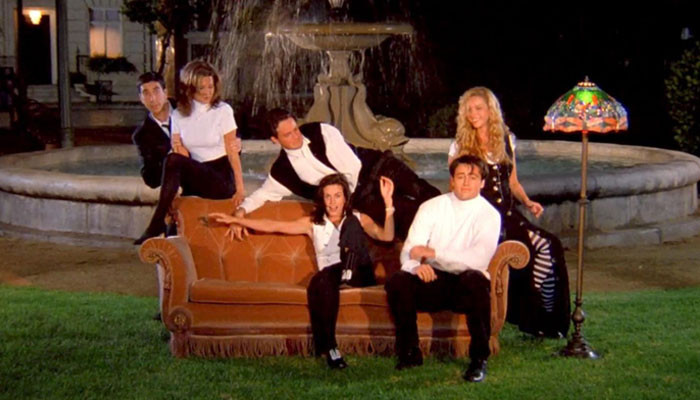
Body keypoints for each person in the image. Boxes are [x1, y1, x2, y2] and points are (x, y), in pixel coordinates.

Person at [210, 173, 395, 370]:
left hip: (359, 273)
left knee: (351, 223)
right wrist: (236, 219)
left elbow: (387, 236)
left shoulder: (359, 218)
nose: (333, 202)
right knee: (320, 280)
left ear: (345, 198)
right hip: (333, 277)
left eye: (337, 196)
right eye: (328, 196)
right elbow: (274, 226)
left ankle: (347, 271)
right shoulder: (313, 223)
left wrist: (388, 203)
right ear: (322, 199)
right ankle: (331, 349)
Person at [448, 86, 570, 338]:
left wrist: (527, 201)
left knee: (549, 246)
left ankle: (542, 318)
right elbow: (457, 188)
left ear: (490, 110)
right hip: (482, 218)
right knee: (544, 246)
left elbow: (512, 182)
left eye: (478, 108)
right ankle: (536, 316)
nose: (473, 114)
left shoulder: (506, 139)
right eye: (469, 110)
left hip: (509, 215)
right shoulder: (460, 146)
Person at [233, 108, 440, 240]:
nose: (296, 136)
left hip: (378, 167)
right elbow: (261, 194)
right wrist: (241, 212)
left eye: (296, 129)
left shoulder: (321, 130)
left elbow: (351, 167)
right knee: (406, 217)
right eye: (288, 134)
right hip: (362, 198)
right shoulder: (282, 171)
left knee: (427, 194)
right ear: (275, 140)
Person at [385, 155, 500, 383]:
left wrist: (435, 253)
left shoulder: (489, 215)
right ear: (451, 180)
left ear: (482, 183)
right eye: (460, 176)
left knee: (475, 280)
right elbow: (410, 250)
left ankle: (479, 359)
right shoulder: (431, 207)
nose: (466, 182)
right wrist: (415, 267)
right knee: (398, 280)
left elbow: (477, 260)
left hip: (465, 285)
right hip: (434, 280)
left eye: (472, 177)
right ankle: (410, 353)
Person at [134, 60, 244, 245]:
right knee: (174, 227)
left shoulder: (223, 111)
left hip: (221, 178)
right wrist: (178, 150)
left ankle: (156, 223)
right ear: (190, 89)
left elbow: (233, 153)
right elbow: (181, 159)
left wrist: (240, 189)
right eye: (202, 88)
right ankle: (167, 237)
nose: (208, 92)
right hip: (196, 176)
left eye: (210, 86)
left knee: (173, 159)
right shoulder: (178, 115)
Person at [132, 72, 172, 189]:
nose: (152, 99)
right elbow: (151, 179)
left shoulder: (186, 110)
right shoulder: (142, 135)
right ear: (141, 99)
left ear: (165, 93)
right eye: (146, 93)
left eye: (156, 91)